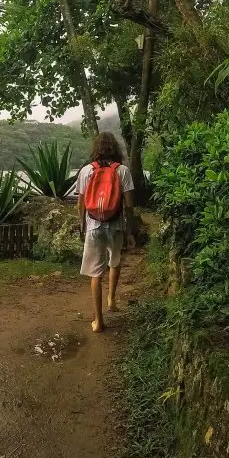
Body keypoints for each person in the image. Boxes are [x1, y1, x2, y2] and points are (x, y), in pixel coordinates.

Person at [76, 132, 136, 333]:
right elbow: (129, 205)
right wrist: (130, 231)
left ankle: (98, 321)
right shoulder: (123, 171)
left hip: (93, 226)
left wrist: (82, 225)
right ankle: (111, 300)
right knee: (115, 261)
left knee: (95, 273)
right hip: (115, 225)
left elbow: (81, 204)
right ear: (116, 149)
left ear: (96, 149)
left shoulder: (86, 171)